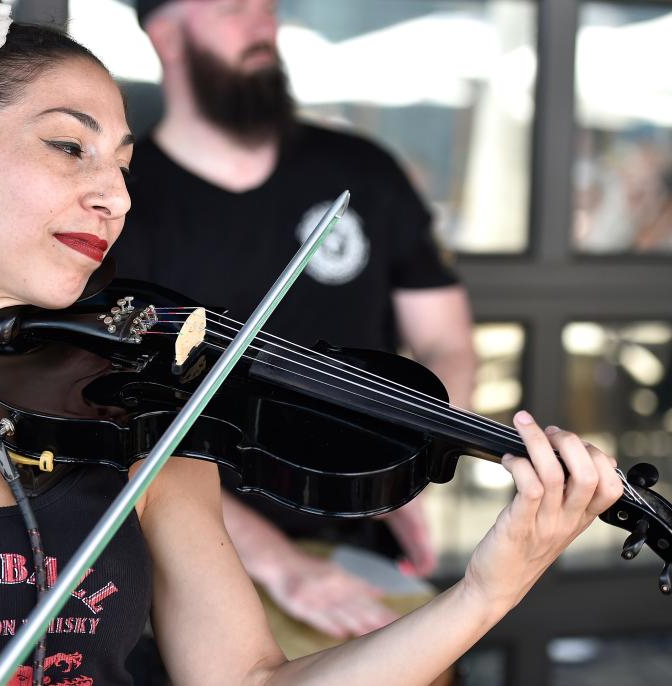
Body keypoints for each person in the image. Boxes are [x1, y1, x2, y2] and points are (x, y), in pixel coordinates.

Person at [0, 3, 624, 684]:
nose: (115, 196)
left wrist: (486, 591)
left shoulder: (135, 421)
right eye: (68, 146)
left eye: (123, 164)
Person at [110, 0, 478, 644]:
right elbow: (125, 439)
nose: (263, 24)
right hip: (199, 545)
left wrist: (418, 457)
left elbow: (446, 339)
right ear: (166, 34)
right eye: (234, 10)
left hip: (356, 527)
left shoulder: (364, 171)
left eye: (267, 7)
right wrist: (282, 566)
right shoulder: (119, 203)